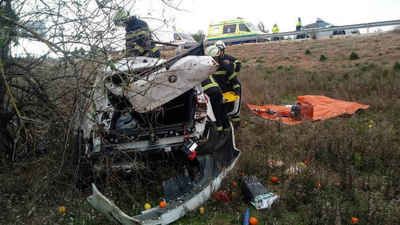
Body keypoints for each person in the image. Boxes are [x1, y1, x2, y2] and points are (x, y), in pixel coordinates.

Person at [202, 45, 230, 133]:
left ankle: (219, 132)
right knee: (221, 112)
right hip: (216, 91)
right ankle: (225, 130)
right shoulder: (215, 64)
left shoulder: (204, 65)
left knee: (215, 113)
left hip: (210, 92)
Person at [214, 40, 241, 123]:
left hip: (228, 84)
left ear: (223, 50)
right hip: (217, 87)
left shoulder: (227, 58)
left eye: (220, 50)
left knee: (234, 101)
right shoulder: (212, 59)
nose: (219, 52)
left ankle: (235, 119)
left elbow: (238, 63)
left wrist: (232, 69)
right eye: (217, 50)